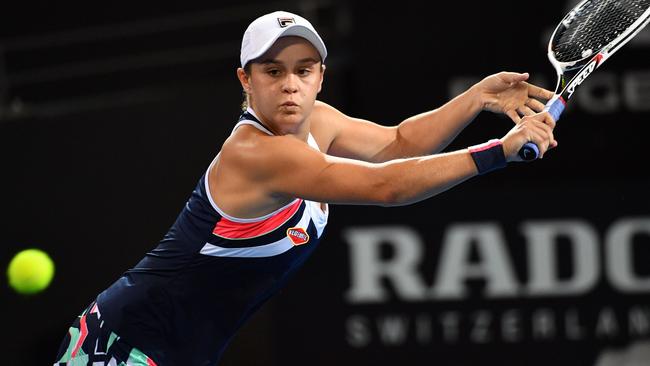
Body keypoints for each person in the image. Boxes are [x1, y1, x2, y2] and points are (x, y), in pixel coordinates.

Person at [54, 9, 557, 366]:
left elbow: (399, 143)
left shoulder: (319, 121)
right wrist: (499, 152)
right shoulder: (256, 152)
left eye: (302, 70)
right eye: (272, 72)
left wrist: (473, 99)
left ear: (320, 77)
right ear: (245, 81)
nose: (289, 84)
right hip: (121, 347)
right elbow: (387, 186)